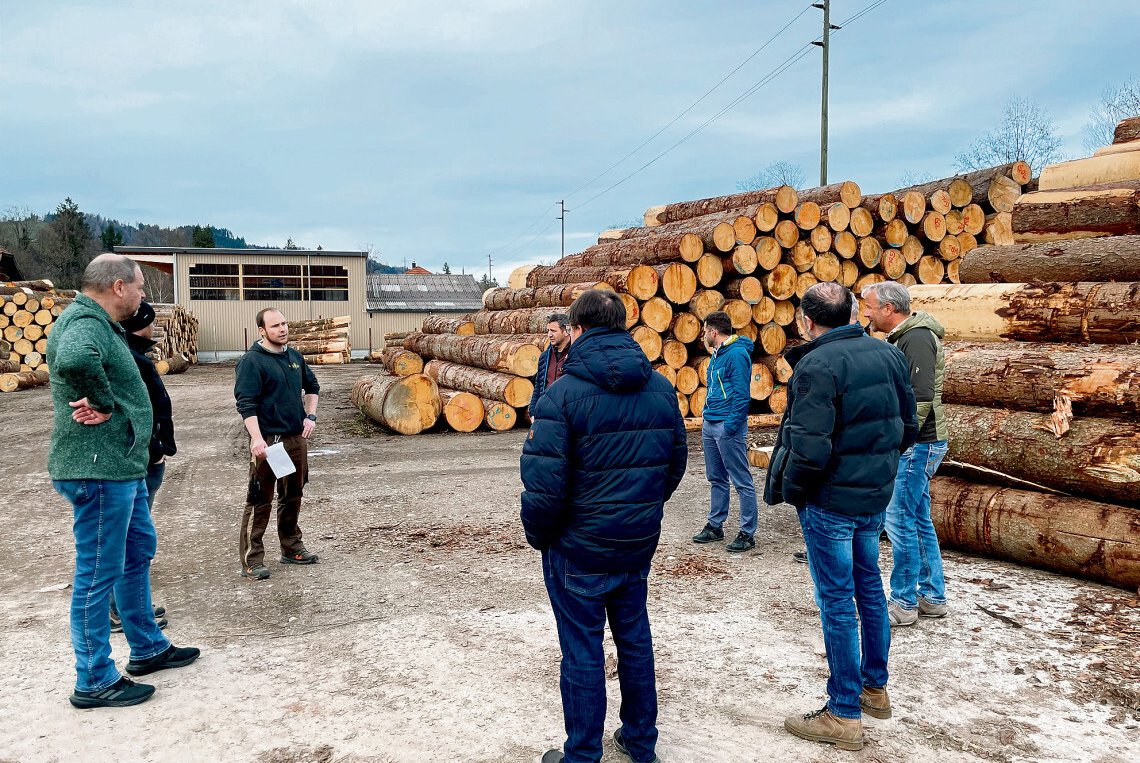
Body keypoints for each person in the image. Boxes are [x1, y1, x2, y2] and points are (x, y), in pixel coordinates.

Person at [521, 289, 687, 763]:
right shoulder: (659, 387)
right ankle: (640, 742)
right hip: (635, 542)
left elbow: (543, 485)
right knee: (634, 640)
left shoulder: (562, 395)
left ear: (575, 331)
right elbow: (674, 463)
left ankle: (582, 755)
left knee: (582, 649)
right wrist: (642, 509)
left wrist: (541, 537)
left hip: (578, 548)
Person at [765, 283, 917, 751]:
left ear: (807, 321)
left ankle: (844, 712)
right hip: (872, 495)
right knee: (869, 587)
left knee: (837, 601)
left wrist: (795, 492)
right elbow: (909, 425)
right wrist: (877, 471)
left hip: (831, 501)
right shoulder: (886, 353)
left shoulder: (816, 364)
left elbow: (809, 447)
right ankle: (875, 687)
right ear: (852, 313)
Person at [48, 253, 200, 709]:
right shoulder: (85, 324)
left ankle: (148, 647)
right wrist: (107, 404)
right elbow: (75, 360)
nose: (141, 295)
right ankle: (94, 679)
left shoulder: (98, 322)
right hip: (98, 469)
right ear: (118, 287)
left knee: (136, 552)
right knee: (97, 574)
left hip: (121, 466)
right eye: (138, 287)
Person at [861, 281, 950, 626]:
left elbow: (921, 396)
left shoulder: (917, 338)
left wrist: (901, 440)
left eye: (869, 306)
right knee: (917, 519)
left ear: (888, 308)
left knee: (899, 520)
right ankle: (932, 596)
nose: (865, 312)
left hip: (919, 443)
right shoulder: (903, 337)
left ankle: (903, 602)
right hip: (918, 442)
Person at [234, 307, 321, 580]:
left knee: (293, 495)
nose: (282, 329)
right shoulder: (252, 362)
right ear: (262, 330)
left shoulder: (295, 357)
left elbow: (313, 387)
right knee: (260, 499)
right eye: (275, 326)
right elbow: (246, 404)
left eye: (284, 324)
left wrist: (311, 416)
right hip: (268, 442)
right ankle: (252, 560)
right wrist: (257, 438)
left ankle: (291, 547)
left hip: (295, 438)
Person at [108, 300, 177, 633]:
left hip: (144, 458)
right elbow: (138, 412)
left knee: (133, 536)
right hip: (140, 461)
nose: (154, 328)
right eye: (150, 322)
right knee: (130, 539)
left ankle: (129, 604)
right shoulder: (129, 360)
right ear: (141, 325)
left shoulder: (130, 354)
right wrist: (155, 451)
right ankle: (120, 609)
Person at [691, 310, 758, 553]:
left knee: (741, 479)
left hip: (727, 426)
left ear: (713, 331)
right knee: (716, 477)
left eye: (704, 330)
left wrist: (730, 426)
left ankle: (747, 532)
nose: (702, 335)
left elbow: (742, 394)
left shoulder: (737, 354)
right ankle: (715, 525)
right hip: (711, 424)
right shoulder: (717, 354)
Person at [528, 313, 571, 415]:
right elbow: (539, 385)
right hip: (546, 412)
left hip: (567, 413)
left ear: (565, 331)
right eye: (548, 330)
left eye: (553, 331)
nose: (549, 335)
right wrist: (533, 412)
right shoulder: (545, 357)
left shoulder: (575, 355)